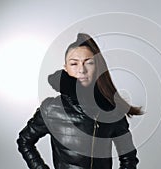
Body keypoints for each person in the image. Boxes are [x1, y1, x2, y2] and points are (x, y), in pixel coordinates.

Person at [16, 33, 143, 169]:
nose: (82, 70)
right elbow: (24, 141)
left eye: (89, 63)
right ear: (66, 68)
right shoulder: (51, 108)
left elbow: (129, 158)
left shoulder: (112, 110)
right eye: (74, 64)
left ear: (97, 67)